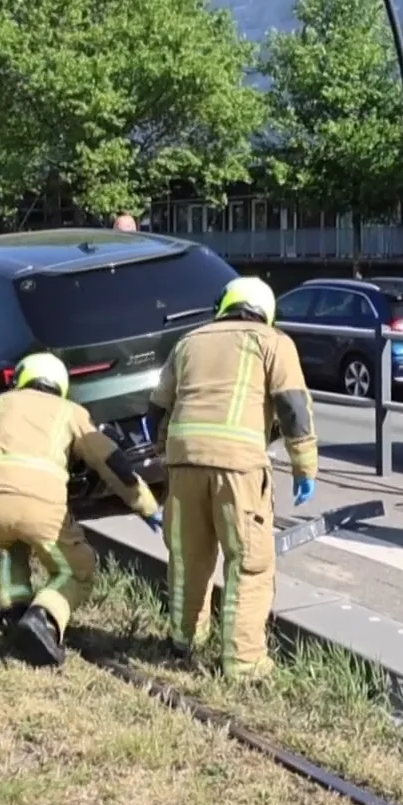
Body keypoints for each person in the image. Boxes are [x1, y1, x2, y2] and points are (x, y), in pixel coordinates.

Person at [147, 277, 318, 679]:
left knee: (188, 558)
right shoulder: (274, 342)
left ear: (224, 305)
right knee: (249, 563)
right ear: (266, 310)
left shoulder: (189, 342)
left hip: (184, 464)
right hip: (239, 470)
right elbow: (293, 408)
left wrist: (164, 454)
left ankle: (183, 641)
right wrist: (304, 468)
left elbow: (156, 409)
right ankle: (243, 662)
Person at [0, 352, 165, 666]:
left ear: (22, 379)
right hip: (40, 504)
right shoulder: (71, 412)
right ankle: (44, 618)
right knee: (76, 569)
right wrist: (146, 505)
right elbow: (110, 462)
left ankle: (13, 612)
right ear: (61, 385)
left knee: (7, 545)